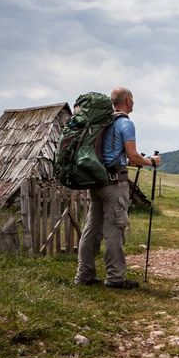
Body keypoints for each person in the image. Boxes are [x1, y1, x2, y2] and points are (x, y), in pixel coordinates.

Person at [74, 87, 162, 289]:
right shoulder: (125, 124)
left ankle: (84, 275)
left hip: (95, 180)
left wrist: (130, 161)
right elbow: (133, 156)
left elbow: (113, 155)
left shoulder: (102, 123)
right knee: (114, 230)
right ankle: (115, 278)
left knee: (91, 229)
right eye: (133, 100)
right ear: (128, 101)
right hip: (114, 184)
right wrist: (152, 161)